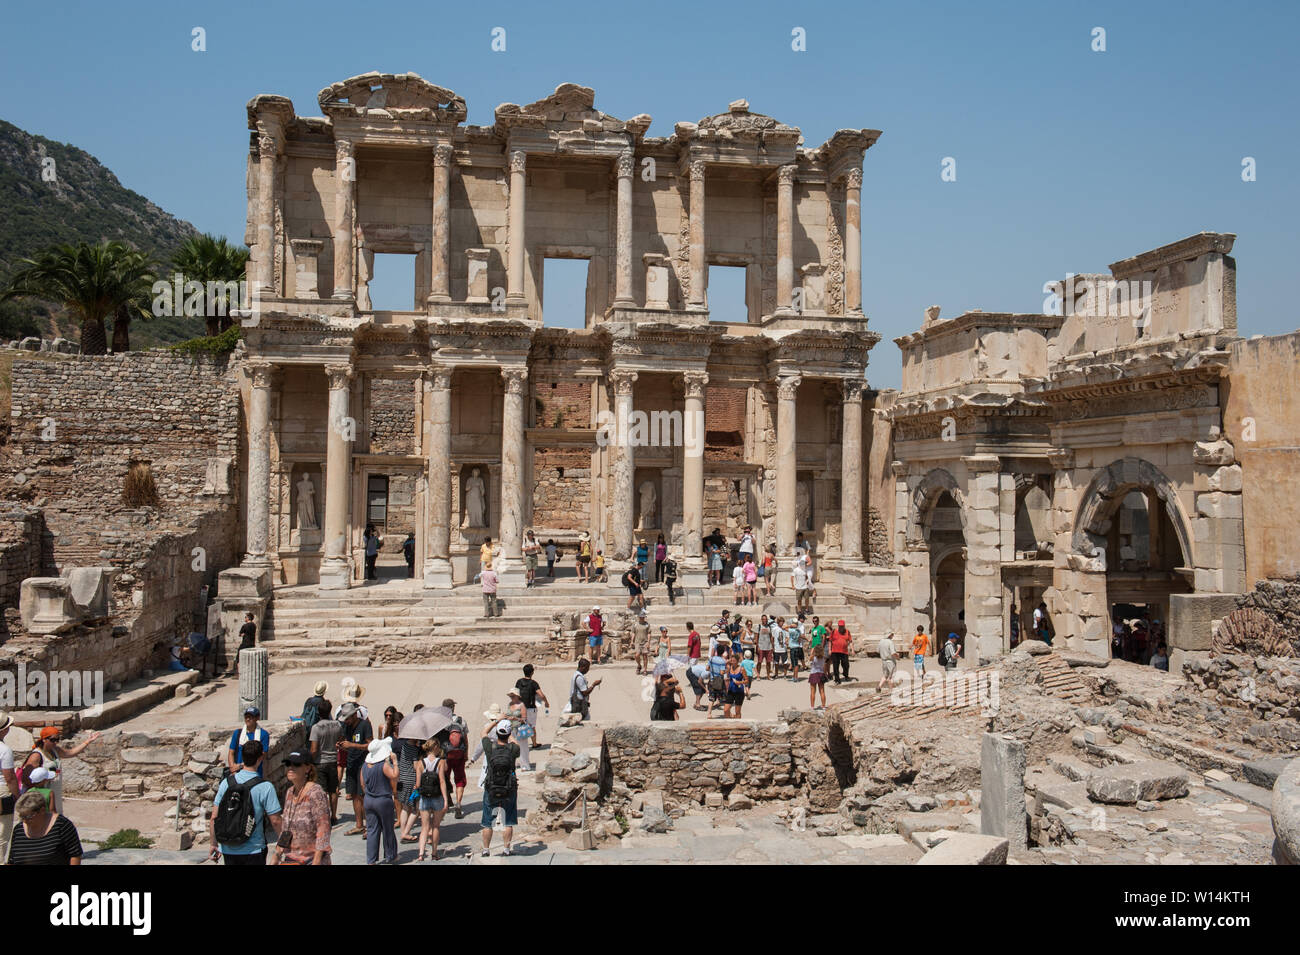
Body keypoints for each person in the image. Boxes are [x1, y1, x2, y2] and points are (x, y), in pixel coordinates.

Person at [209, 738, 281, 865]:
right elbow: (275, 820)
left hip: (228, 848)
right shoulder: (265, 787)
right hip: (254, 850)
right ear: (261, 757)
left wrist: (214, 844)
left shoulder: (226, 783)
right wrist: (284, 844)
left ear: (242, 757)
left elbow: (214, 817)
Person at [22, 726, 98, 815]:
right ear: (44, 739)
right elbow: (26, 778)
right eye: (53, 740)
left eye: (58, 739)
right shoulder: (36, 756)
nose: (56, 742)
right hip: (43, 795)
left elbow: (70, 753)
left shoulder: (55, 750)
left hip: (55, 792)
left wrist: (87, 742)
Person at [274, 750, 331, 865]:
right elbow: (286, 829)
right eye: (288, 764)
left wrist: (317, 860)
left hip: (311, 859)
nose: (290, 768)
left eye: (296, 764)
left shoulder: (316, 793)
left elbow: (323, 829)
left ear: (307, 768)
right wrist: (277, 854)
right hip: (292, 859)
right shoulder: (290, 792)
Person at [7, 790, 82, 865]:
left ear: (42, 810)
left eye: (28, 816)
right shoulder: (18, 829)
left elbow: (75, 855)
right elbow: (12, 860)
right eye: (22, 816)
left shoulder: (62, 825)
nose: (24, 820)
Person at [480, 719, 520, 857]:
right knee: (508, 820)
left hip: (491, 787)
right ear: (508, 733)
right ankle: (506, 849)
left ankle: (486, 849)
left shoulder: (490, 747)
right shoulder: (514, 749)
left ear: (497, 733)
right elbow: (516, 743)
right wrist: (510, 735)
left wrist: (497, 720)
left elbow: (484, 732)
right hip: (509, 787)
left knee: (487, 821)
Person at [360, 737, 399, 865]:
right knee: (387, 829)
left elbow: (363, 785)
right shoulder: (382, 765)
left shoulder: (364, 766)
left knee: (372, 830)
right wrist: (395, 761)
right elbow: (394, 775)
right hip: (383, 800)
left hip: (369, 799)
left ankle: (371, 860)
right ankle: (390, 855)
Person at [338, 701, 374, 835]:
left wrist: (352, 745)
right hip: (351, 763)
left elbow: (370, 745)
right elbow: (348, 744)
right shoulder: (346, 727)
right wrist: (343, 746)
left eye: (347, 718)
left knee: (363, 795)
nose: (345, 721)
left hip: (362, 764)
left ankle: (370, 826)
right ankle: (359, 825)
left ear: (353, 715)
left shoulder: (365, 725)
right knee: (353, 794)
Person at [414, 739, 450, 861]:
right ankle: (434, 853)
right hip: (437, 797)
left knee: (424, 828)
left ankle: (421, 853)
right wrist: (446, 799)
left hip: (424, 797)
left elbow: (418, 784)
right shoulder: (440, 762)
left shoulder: (420, 763)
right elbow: (442, 781)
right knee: (435, 827)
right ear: (435, 747)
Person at [308, 702, 343, 824]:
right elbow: (340, 740)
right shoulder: (337, 725)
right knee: (333, 790)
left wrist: (309, 761)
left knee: (321, 792)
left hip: (320, 762)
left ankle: (323, 816)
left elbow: (313, 749)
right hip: (333, 760)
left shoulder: (316, 728)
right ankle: (334, 815)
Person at [439, 698, 469, 819]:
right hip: (459, 754)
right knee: (460, 779)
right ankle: (458, 803)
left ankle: (446, 802)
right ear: (453, 708)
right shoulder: (461, 721)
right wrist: (466, 753)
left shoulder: (440, 722)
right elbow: (465, 739)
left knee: (444, 778)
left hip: (445, 755)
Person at [514, 665, 550, 748]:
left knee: (519, 725)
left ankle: (518, 744)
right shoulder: (534, 683)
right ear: (532, 672)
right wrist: (546, 702)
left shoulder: (519, 682)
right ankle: (534, 744)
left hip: (520, 707)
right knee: (531, 726)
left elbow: (515, 693)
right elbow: (541, 695)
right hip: (530, 708)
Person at [0, 711, 17, 867]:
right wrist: (17, 795)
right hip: (2, 793)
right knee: (2, 833)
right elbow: (10, 777)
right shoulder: (4, 750)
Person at [505, 688, 534, 772]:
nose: (511, 697)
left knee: (523, 747)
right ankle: (511, 764)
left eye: (513, 696)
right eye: (511, 696)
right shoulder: (509, 704)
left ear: (517, 696)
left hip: (520, 728)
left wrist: (516, 718)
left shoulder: (522, 705)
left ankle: (524, 765)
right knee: (511, 747)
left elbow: (524, 719)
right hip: (511, 728)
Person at [706, 641, 730, 718]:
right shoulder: (722, 661)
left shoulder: (712, 659)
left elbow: (707, 668)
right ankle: (727, 713)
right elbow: (722, 672)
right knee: (725, 697)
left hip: (712, 680)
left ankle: (709, 713)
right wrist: (728, 670)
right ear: (723, 652)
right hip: (719, 681)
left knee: (711, 698)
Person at [724, 653, 749, 718]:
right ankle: (728, 724)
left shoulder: (741, 669)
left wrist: (739, 682)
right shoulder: (729, 668)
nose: (732, 662)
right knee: (726, 710)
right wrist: (727, 680)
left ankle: (738, 725)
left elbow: (747, 680)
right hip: (730, 691)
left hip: (739, 692)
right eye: (731, 661)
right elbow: (728, 678)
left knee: (737, 711)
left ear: (737, 661)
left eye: (734, 661)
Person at [829, 620, 853, 684]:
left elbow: (850, 641)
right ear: (838, 626)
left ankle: (846, 675)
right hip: (835, 651)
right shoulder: (834, 631)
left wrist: (852, 650)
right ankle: (837, 680)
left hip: (844, 651)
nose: (841, 627)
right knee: (835, 666)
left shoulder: (847, 632)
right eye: (840, 626)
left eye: (842, 626)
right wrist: (829, 650)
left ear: (844, 626)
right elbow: (830, 641)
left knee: (846, 664)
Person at [808, 645, 828, 710]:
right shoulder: (823, 658)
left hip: (814, 674)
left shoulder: (813, 658)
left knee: (813, 692)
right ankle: (823, 706)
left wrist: (813, 650)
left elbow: (810, 657)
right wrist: (825, 674)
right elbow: (824, 667)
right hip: (821, 674)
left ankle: (812, 706)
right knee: (822, 691)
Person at [755, 614, 774, 679]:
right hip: (761, 646)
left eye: (766, 619)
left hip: (768, 647)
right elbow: (756, 637)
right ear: (761, 620)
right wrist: (757, 646)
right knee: (759, 662)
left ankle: (768, 675)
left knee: (768, 662)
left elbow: (771, 637)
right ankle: (758, 675)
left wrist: (772, 646)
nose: (764, 620)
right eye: (763, 619)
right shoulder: (759, 626)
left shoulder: (769, 627)